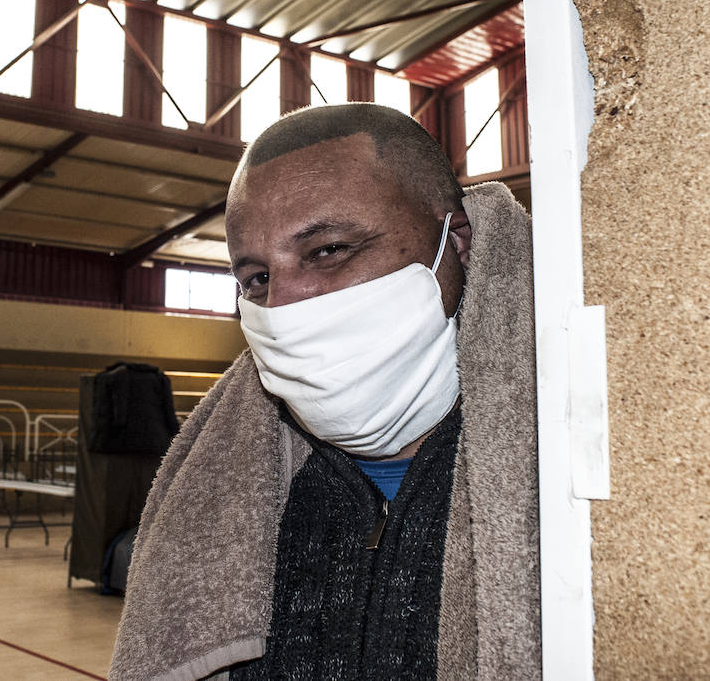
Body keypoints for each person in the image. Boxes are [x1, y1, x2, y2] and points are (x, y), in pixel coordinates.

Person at [110, 103, 541, 680]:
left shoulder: (570, 474)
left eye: (328, 250)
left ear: (455, 244)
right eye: (257, 278)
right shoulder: (237, 495)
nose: (283, 304)